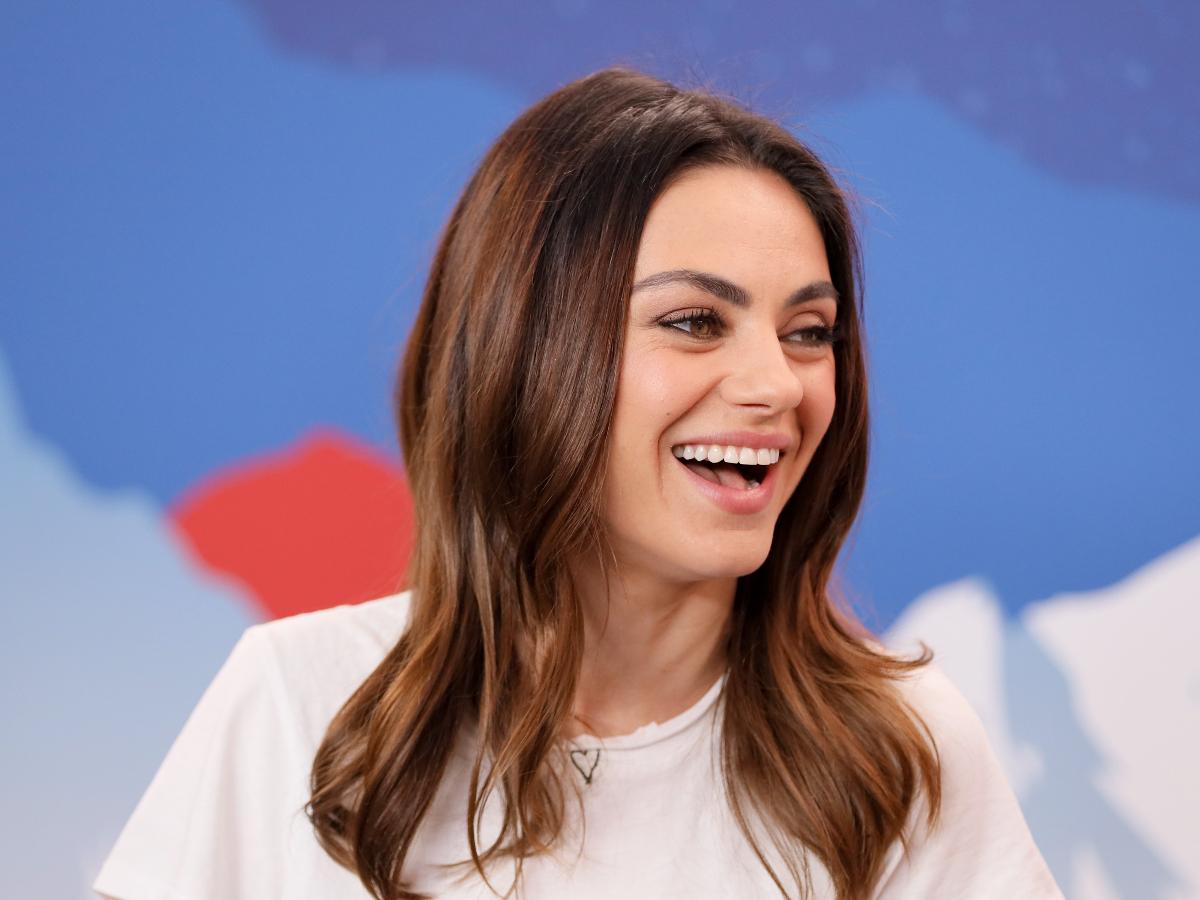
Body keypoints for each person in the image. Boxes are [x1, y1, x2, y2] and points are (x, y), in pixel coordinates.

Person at [93, 66, 1064, 900]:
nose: (778, 384)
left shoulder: (898, 754)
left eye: (809, 332)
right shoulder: (298, 706)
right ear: (524, 351)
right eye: (695, 322)